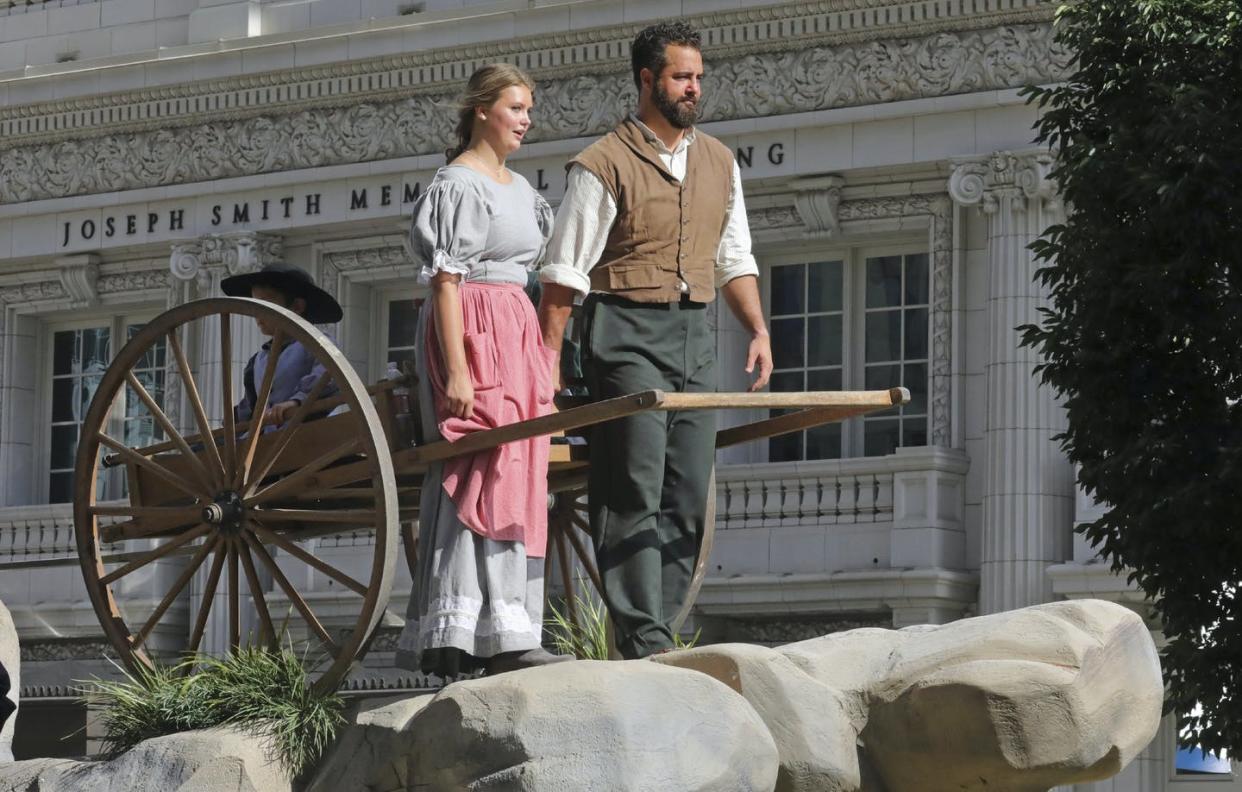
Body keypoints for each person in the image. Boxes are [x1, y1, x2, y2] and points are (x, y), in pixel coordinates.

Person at [537, 22, 773, 660]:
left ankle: (661, 628)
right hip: (623, 329)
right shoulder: (602, 163)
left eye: (698, 76)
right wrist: (550, 361)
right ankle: (642, 637)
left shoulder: (720, 162)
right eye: (680, 77)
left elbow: (734, 255)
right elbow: (564, 271)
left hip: (694, 333)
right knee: (633, 484)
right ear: (647, 80)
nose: (693, 88)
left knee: (689, 487)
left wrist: (757, 329)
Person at [394, 63, 567, 677]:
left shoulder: (522, 191)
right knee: (480, 463)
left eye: (528, 109)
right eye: (516, 108)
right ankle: (461, 626)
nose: (526, 119)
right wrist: (459, 369)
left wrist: (546, 354)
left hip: (515, 331)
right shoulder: (460, 184)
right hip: (470, 327)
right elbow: (446, 281)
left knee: (520, 466)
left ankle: (512, 623)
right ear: (481, 111)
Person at [221, 263, 342, 429]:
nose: (257, 313)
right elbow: (250, 408)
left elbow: (329, 376)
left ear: (297, 307)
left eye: (265, 305)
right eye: (254, 305)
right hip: (265, 444)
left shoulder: (317, 344)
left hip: (309, 438)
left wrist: (295, 401)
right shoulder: (257, 361)